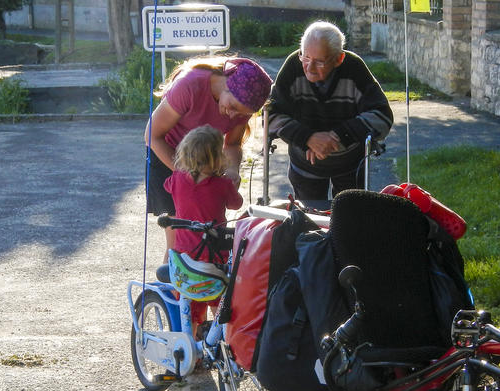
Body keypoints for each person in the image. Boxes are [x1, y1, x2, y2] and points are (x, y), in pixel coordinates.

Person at [145, 56, 271, 252]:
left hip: (205, 165)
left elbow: (232, 144)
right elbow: (152, 136)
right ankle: (173, 278)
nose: (232, 116)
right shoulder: (190, 85)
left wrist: (232, 171)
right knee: (179, 241)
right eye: (234, 107)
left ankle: (199, 280)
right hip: (167, 155)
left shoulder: (242, 106)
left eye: (241, 114)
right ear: (228, 85)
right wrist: (187, 176)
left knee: (206, 239)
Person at [267, 21, 394, 202]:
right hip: (305, 165)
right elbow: (270, 116)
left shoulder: (354, 68)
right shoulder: (293, 66)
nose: (309, 67)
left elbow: (382, 116)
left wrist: (337, 136)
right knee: (309, 221)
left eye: (319, 61)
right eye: (305, 57)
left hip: (350, 164)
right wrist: (308, 138)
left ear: (338, 59)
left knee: (350, 221)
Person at [164, 125, 244, 334]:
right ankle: (222, 344)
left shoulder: (177, 180)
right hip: (214, 259)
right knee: (220, 301)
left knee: (191, 305)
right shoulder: (222, 184)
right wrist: (233, 181)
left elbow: (167, 186)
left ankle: (191, 347)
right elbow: (236, 204)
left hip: (184, 260)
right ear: (217, 157)